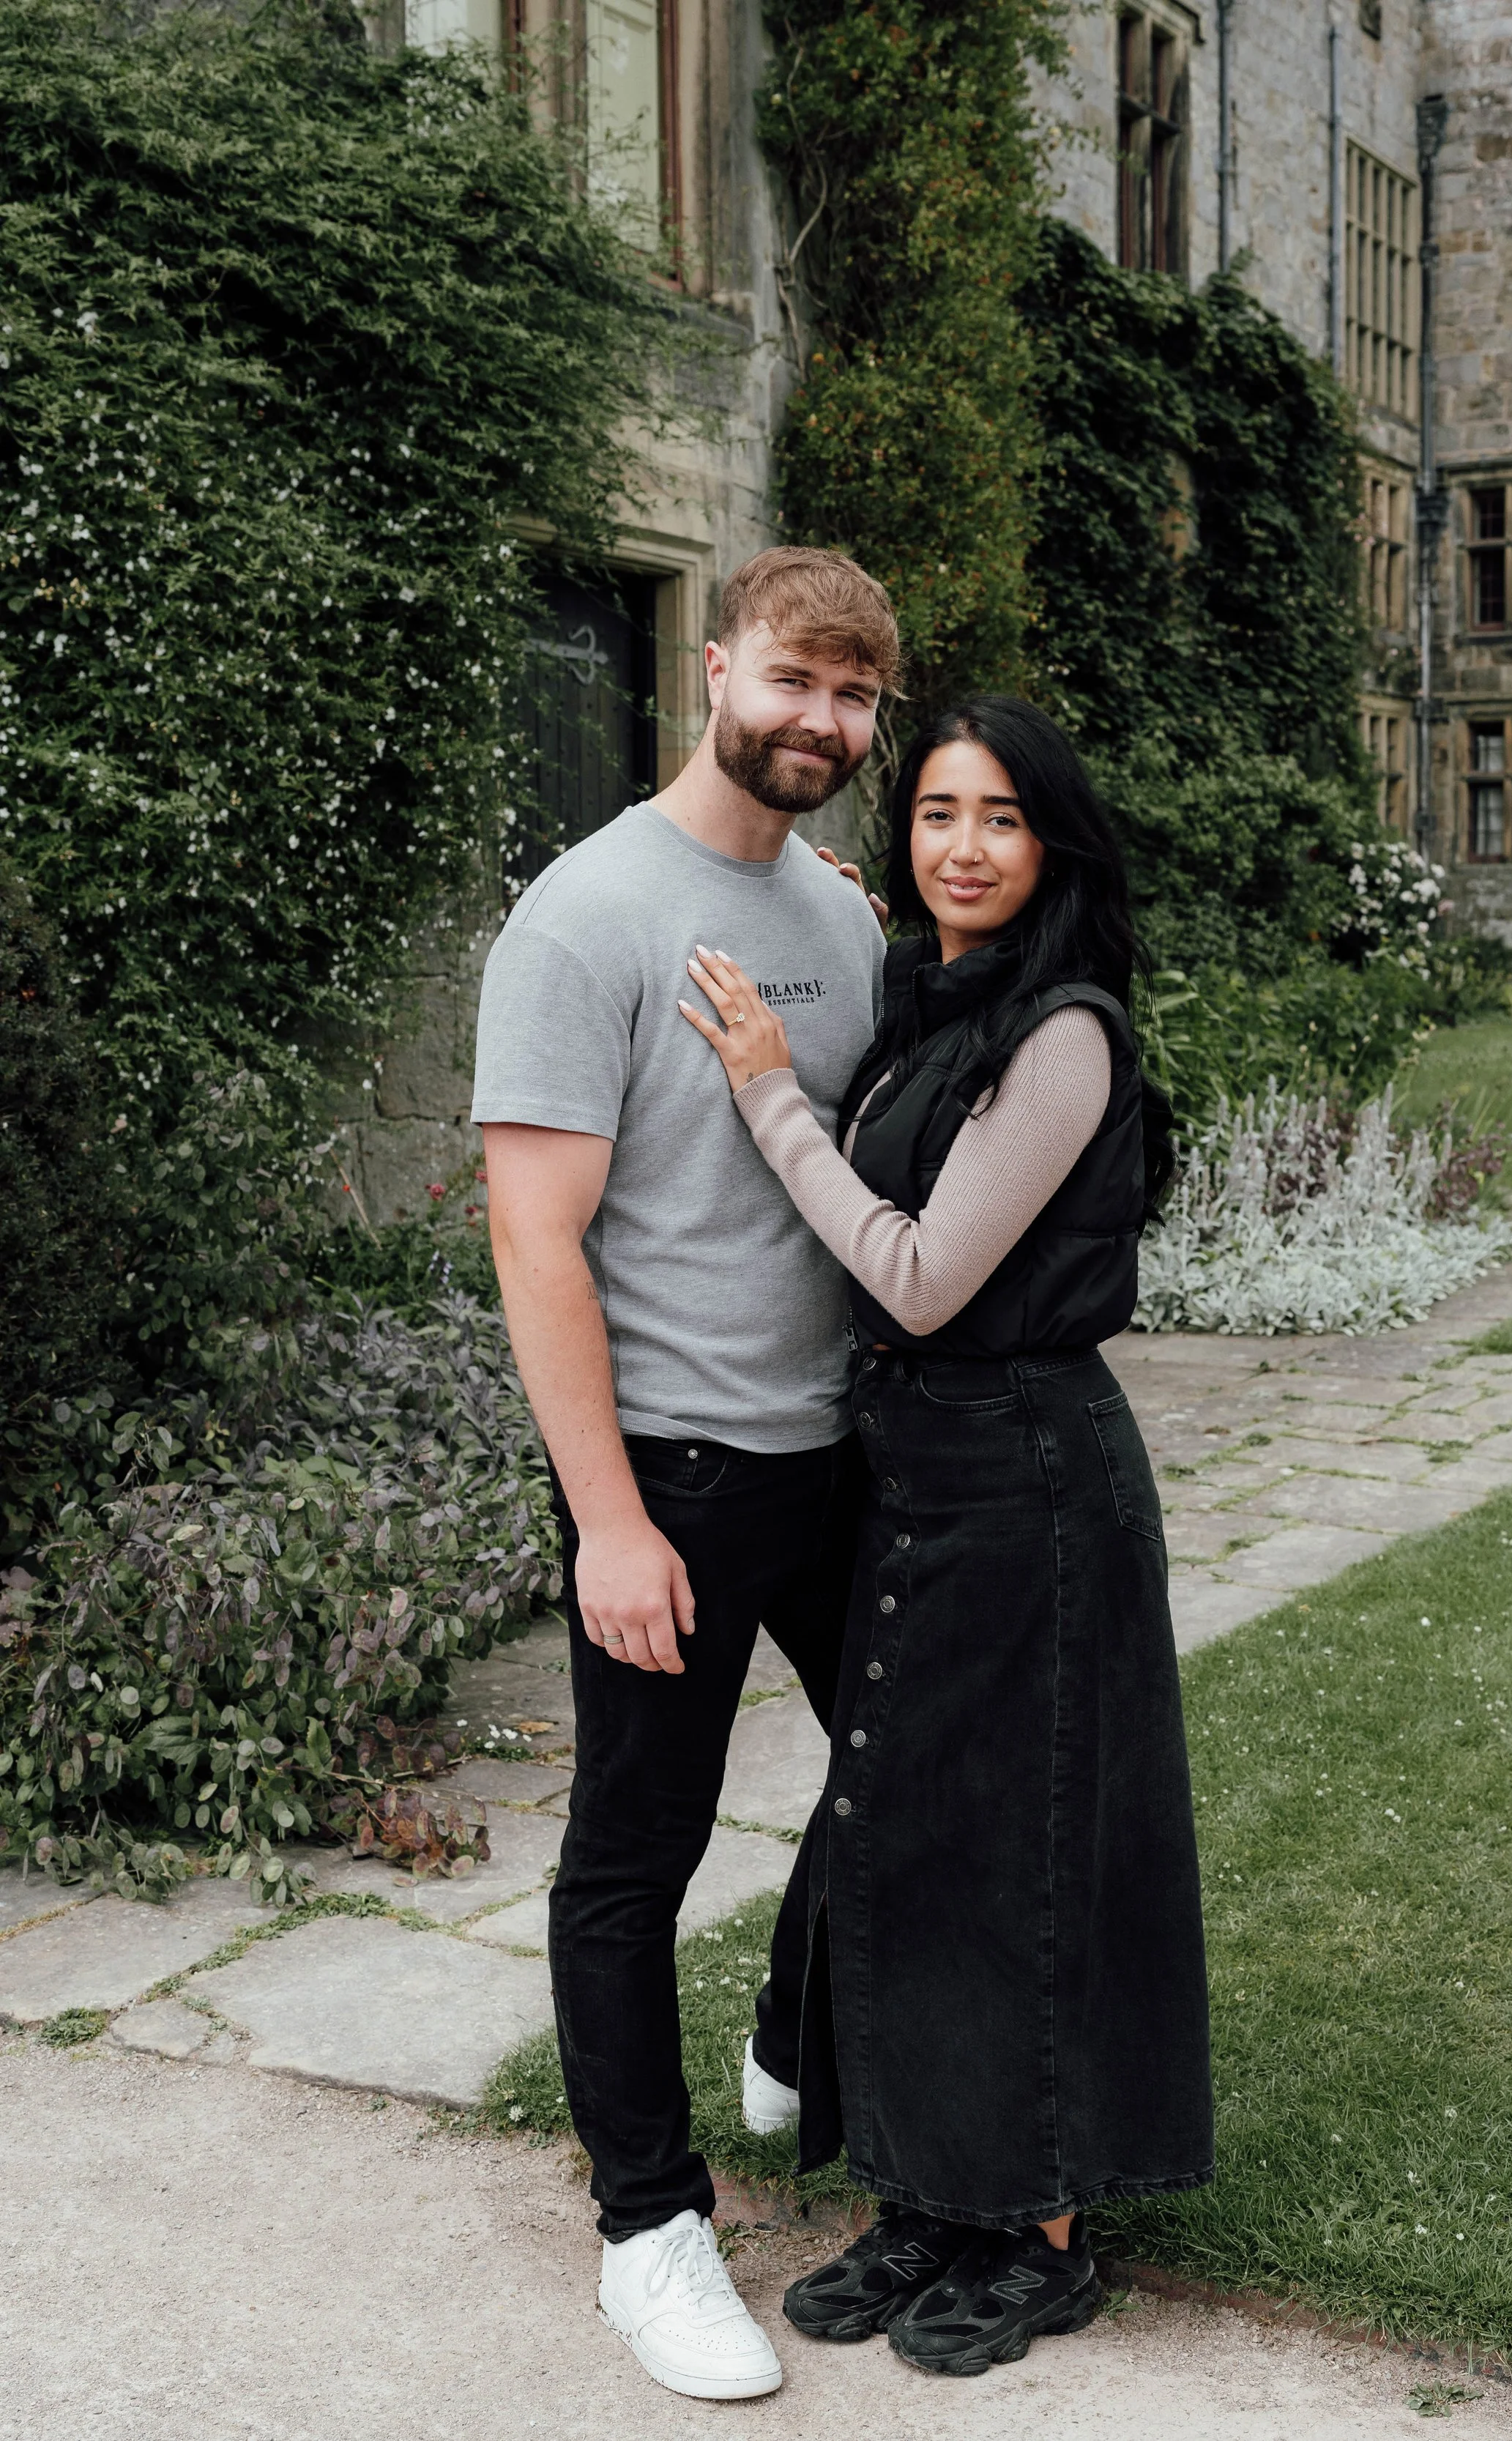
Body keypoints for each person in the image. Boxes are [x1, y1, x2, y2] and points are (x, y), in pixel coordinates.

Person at [678, 695, 1213, 2380]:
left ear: (1048, 839)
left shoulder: (1061, 1034)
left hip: (1031, 1485)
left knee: (1022, 1850)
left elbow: (915, 1272)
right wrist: (833, 924)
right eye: (931, 814)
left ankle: (1039, 2225)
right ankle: (925, 2193)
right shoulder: (937, 1004)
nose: (960, 846)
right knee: (904, 1838)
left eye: (995, 816)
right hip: (922, 1475)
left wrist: (768, 1095)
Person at [472, 546, 897, 2403]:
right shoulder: (585, 921)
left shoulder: (845, 912)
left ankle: (790, 2036)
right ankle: (649, 2233)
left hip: (842, 1455)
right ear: (713, 668)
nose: (822, 721)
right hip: (678, 1475)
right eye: (795, 681)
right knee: (629, 1861)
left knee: (919, 1769)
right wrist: (611, 1522)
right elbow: (534, 1242)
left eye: (857, 697)